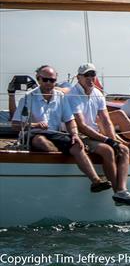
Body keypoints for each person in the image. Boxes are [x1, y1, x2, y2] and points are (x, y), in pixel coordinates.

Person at [11, 65, 113, 195]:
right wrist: (36, 125)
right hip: (34, 133)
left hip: (56, 134)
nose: (49, 83)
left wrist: (75, 135)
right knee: (41, 141)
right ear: (38, 79)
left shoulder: (61, 97)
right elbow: (15, 124)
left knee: (77, 144)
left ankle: (96, 181)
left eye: (52, 80)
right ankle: (61, 166)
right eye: (45, 79)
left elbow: (70, 121)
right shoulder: (27, 98)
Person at [66, 63, 130, 206]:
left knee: (123, 149)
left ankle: (122, 191)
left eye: (92, 74)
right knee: (107, 150)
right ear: (78, 78)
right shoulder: (72, 95)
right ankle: (117, 192)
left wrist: (114, 141)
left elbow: (106, 121)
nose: (90, 78)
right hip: (80, 135)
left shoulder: (97, 93)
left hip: (94, 133)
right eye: (86, 75)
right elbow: (81, 126)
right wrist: (108, 141)